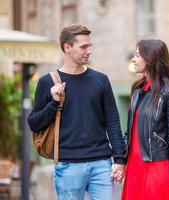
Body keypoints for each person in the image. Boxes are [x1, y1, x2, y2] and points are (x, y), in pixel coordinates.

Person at [27, 24, 125, 200]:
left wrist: (120, 159)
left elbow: (113, 122)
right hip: (68, 165)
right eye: (83, 46)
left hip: (101, 164)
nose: (89, 51)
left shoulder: (101, 80)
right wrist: (53, 102)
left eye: (90, 46)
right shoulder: (47, 82)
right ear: (67, 48)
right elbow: (34, 123)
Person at [121, 39, 169, 200]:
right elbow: (129, 133)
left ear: (150, 58)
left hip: (156, 166)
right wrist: (120, 161)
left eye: (137, 55)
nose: (133, 59)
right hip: (134, 165)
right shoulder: (138, 89)